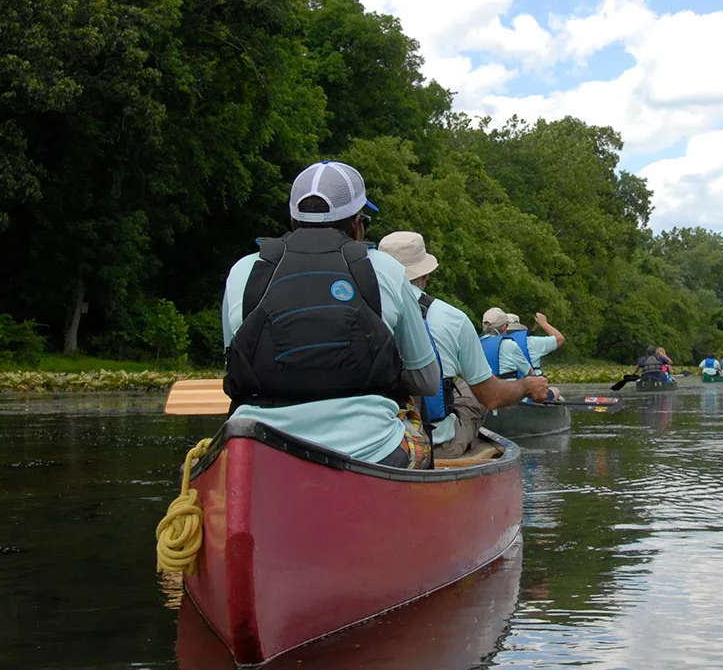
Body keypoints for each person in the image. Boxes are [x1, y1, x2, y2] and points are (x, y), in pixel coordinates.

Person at [222, 161, 439, 468]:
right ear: (356, 225)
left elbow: (234, 365)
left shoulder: (244, 271)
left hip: (258, 449)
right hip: (372, 450)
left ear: (293, 219)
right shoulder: (387, 270)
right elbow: (427, 381)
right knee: (419, 438)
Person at [377, 231, 551, 459]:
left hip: (375, 439)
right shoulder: (453, 318)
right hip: (435, 444)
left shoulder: (356, 306)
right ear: (426, 274)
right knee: (470, 390)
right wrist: (527, 386)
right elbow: (492, 398)